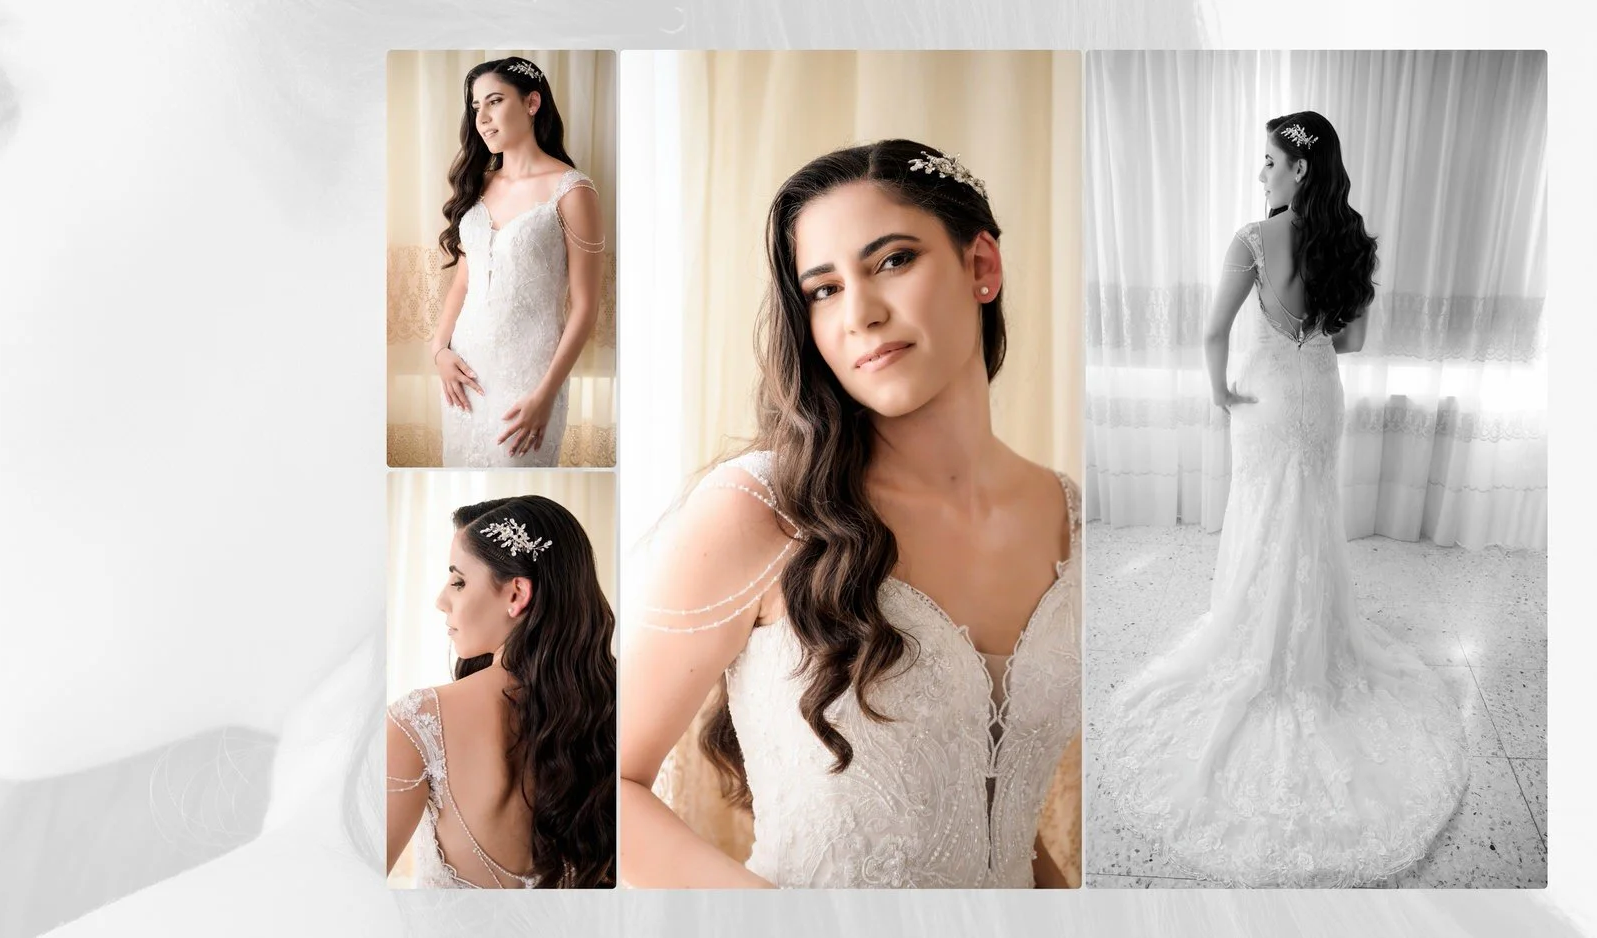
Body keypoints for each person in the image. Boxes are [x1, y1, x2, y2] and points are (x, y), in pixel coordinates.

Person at [619, 140, 1079, 888]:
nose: (860, 313)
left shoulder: (1073, 521)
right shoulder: (764, 509)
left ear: (980, 267)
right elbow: (604, 786)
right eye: (823, 289)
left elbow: (1003, 833)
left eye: (893, 261)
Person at [1090, 111, 1465, 887]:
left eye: (1268, 161)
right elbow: (1352, 344)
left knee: (1263, 517)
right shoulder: (1353, 241)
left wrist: (1220, 393)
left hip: (1264, 401)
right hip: (1318, 395)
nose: (1261, 173)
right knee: (1311, 516)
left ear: (1298, 169)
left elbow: (1211, 332)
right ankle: (1313, 647)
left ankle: (1260, 644)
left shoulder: (1252, 240)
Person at [386, 495, 616, 888]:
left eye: (458, 581)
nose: (441, 600)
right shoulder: (612, 707)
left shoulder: (417, 721)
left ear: (516, 595)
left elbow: (350, 887)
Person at [428, 56, 606, 467]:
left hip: (529, 379)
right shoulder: (478, 185)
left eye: (494, 102)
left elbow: (584, 307)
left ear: (531, 103)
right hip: (464, 372)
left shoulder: (572, 191)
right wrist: (439, 349)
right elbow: (463, 284)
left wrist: (545, 395)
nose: (483, 118)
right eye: (476, 108)